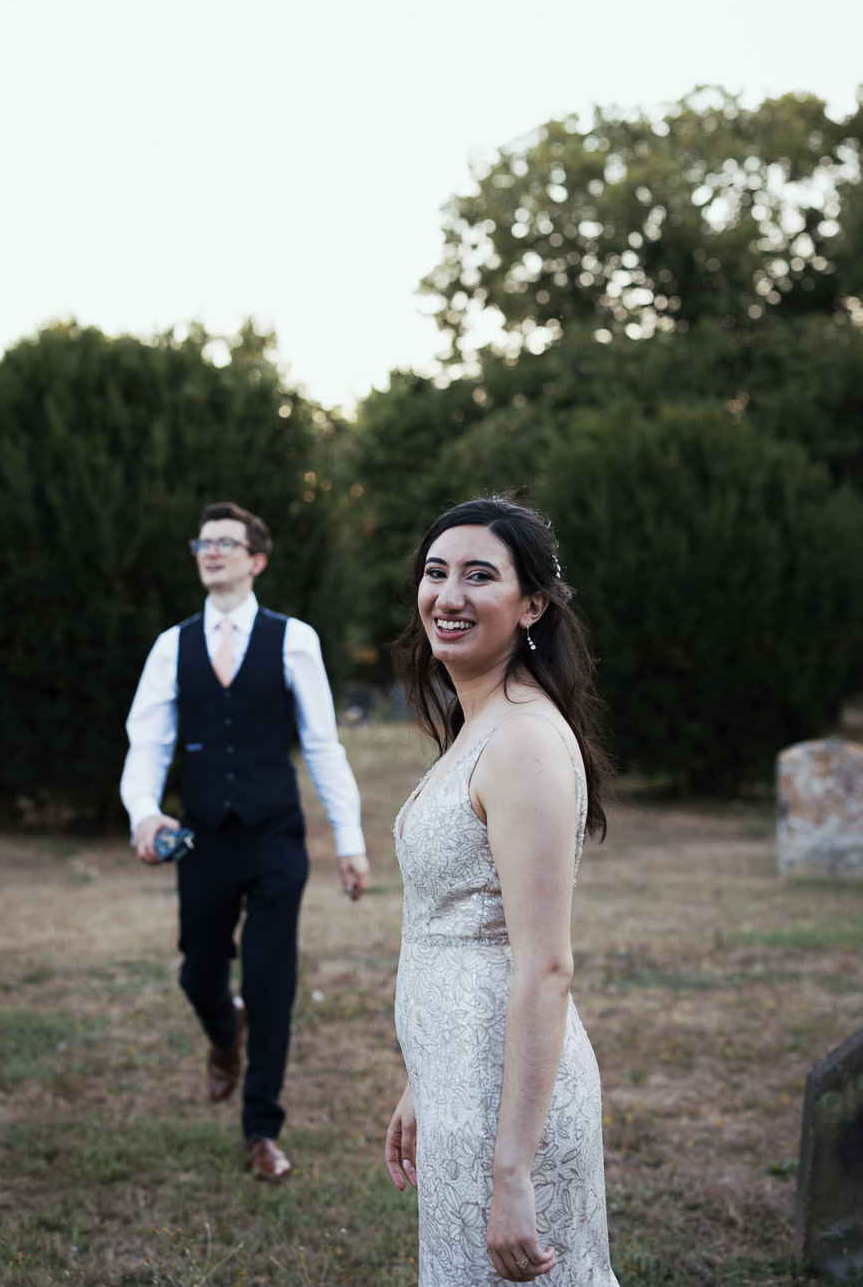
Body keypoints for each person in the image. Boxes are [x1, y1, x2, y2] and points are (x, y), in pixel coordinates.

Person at [384, 496, 619, 1284]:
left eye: (479, 576)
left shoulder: (521, 740)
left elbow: (544, 965)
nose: (448, 596)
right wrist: (423, 1080)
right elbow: (452, 925)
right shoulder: (478, 723)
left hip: (507, 1113)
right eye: (435, 572)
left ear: (532, 607)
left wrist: (512, 1172)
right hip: (459, 1087)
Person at [120, 500, 371, 1182]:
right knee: (198, 971)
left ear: (256, 560)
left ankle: (262, 1128)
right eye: (203, 541)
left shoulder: (295, 640)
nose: (211, 550)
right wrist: (146, 813)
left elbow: (322, 746)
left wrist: (349, 840)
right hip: (202, 838)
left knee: (270, 981)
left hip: (273, 838)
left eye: (226, 542)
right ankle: (223, 1033)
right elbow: (147, 741)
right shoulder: (172, 645)